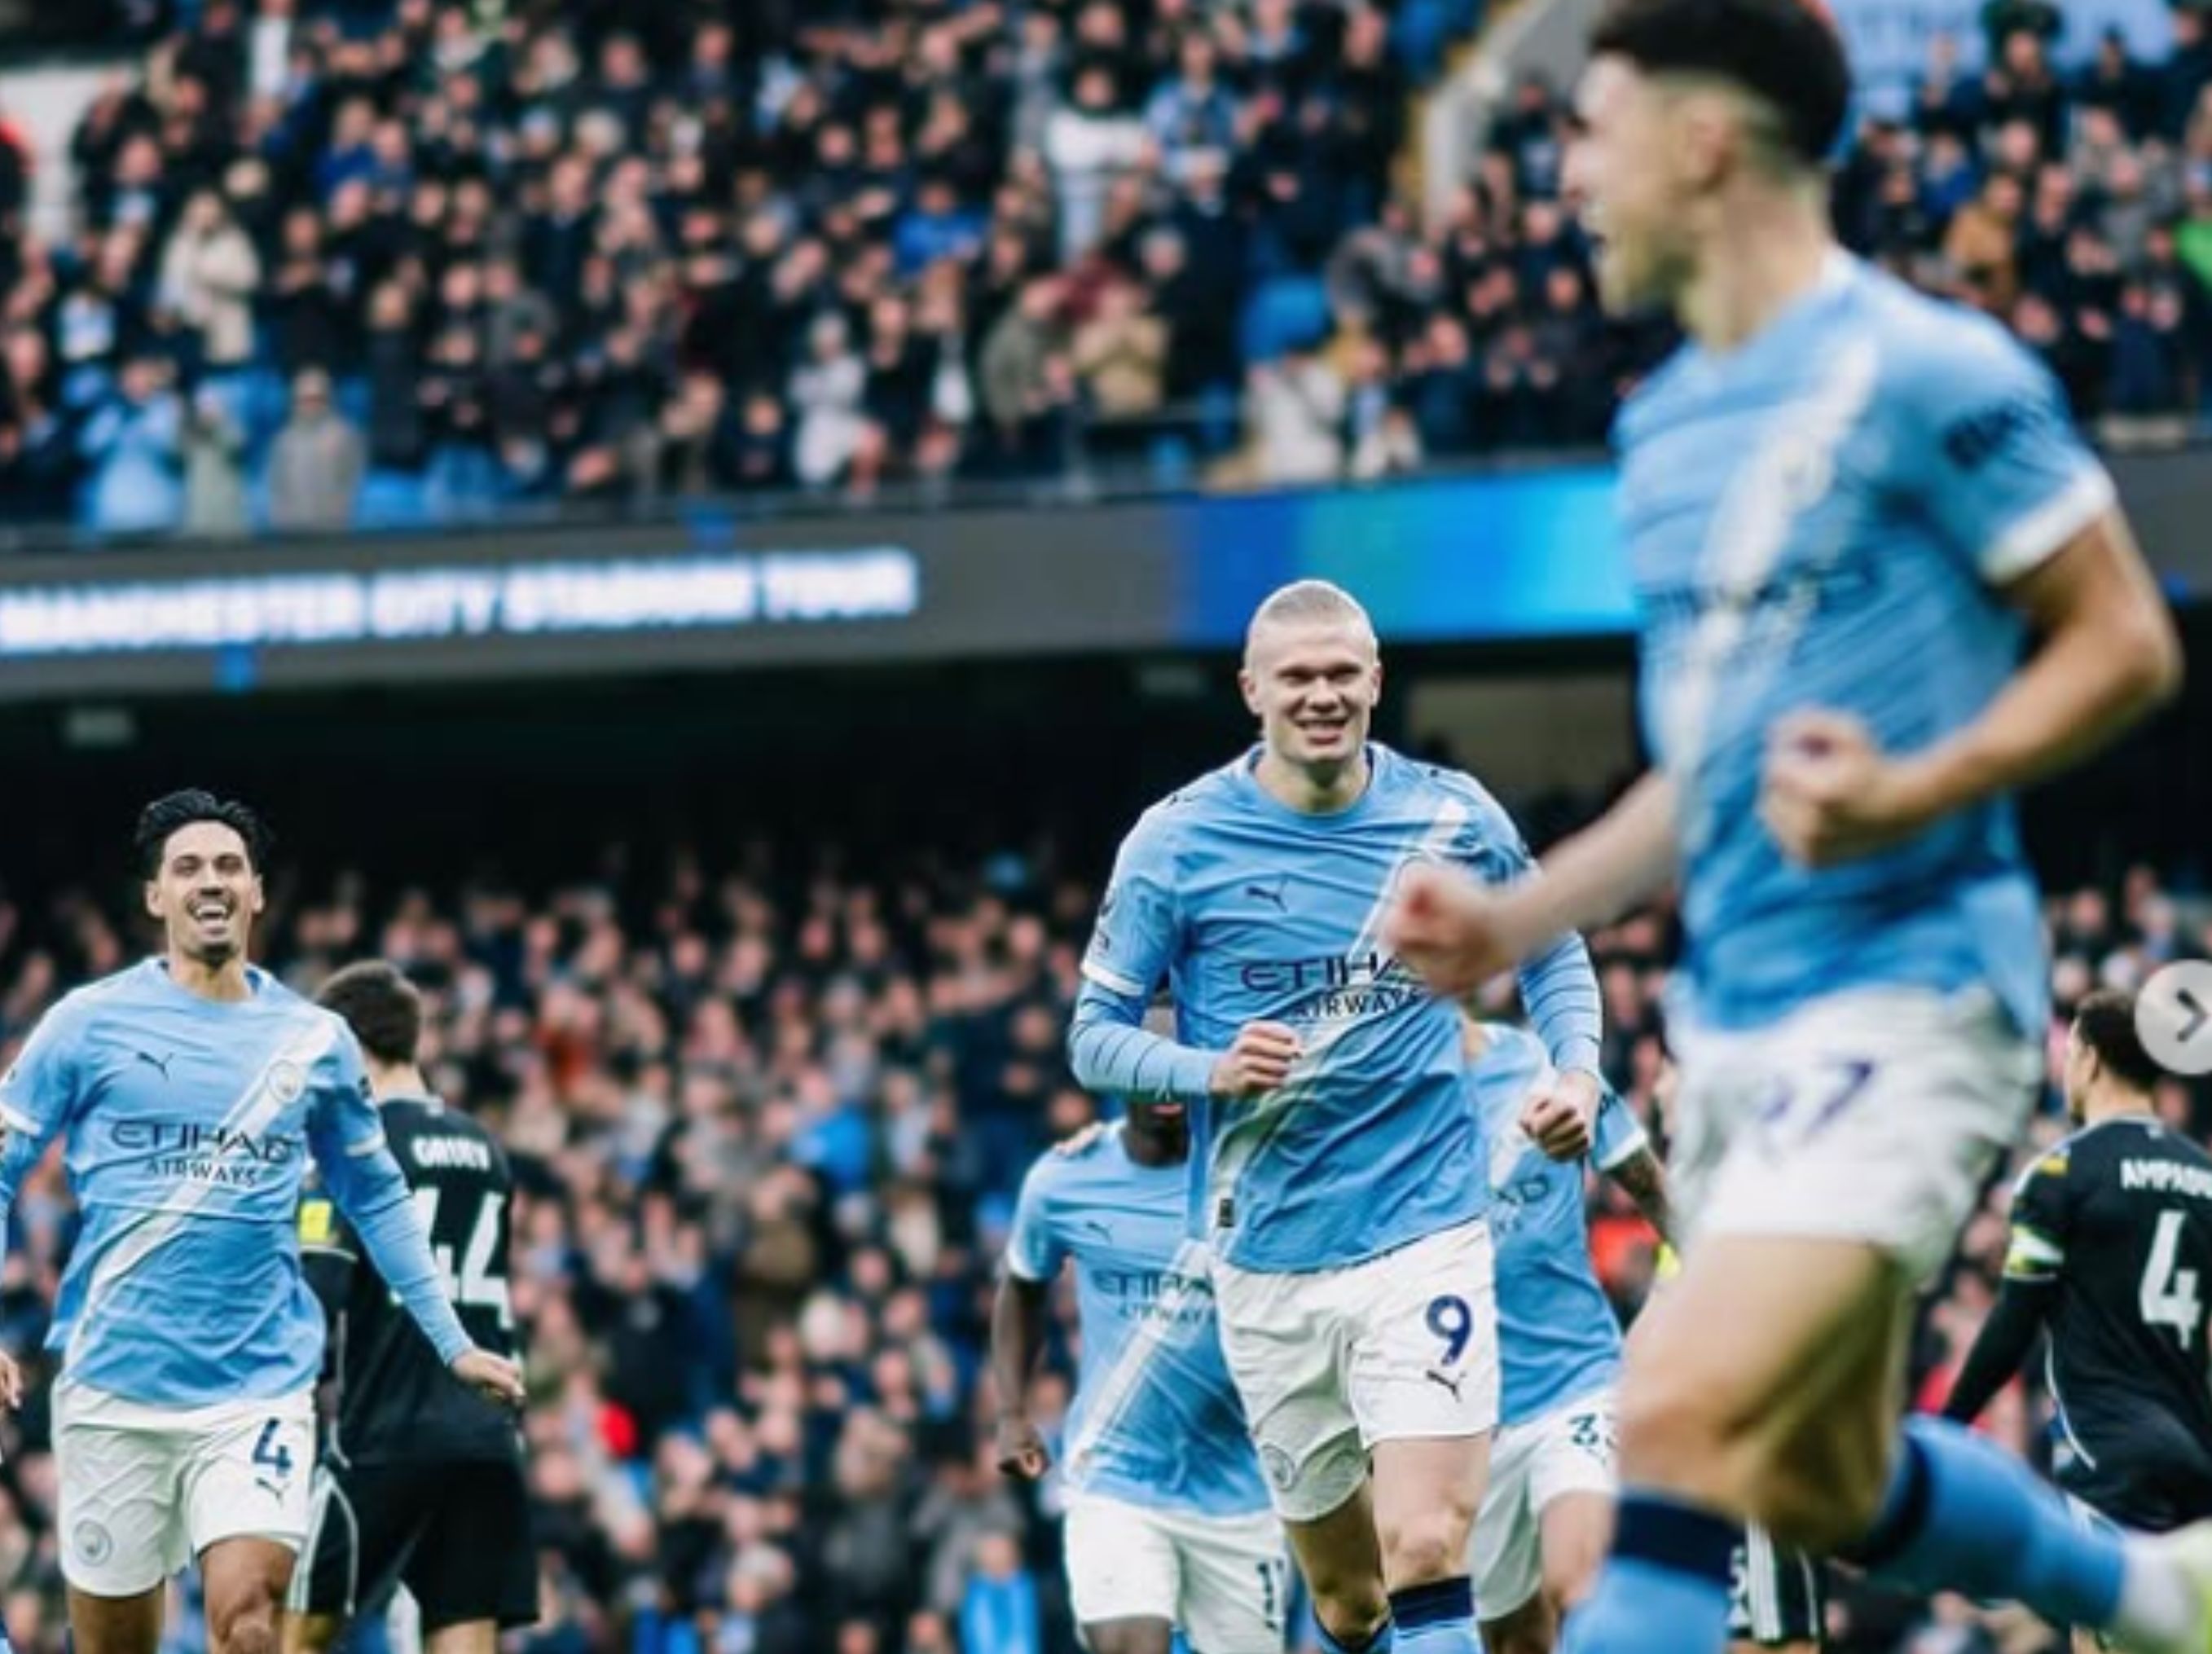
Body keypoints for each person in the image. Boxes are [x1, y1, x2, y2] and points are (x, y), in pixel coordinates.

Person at [1382, 2, 2197, 1651]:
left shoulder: (1930, 371)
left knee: (1669, 1420)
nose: (1569, 180)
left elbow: (2123, 640)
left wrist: (1912, 788)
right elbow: (1704, 778)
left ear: (1704, 145)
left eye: (1591, 133)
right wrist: (1514, 921)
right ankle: (2150, 1592)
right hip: (1734, 1026)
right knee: (1812, 1472)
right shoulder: (1658, 431)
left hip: (1910, 990)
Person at [1070, 578, 1606, 1654]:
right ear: (1251, 690)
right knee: (1350, 1599)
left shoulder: (1450, 815)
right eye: (1298, 676)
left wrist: (1579, 1071)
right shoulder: (1176, 842)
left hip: (1425, 1229)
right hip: (1267, 1256)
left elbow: (1549, 944)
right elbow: (1094, 1035)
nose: (1322, 694)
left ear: (1375, 679)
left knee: (1426, 1542)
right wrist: (1207, 1067)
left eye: (1342, 673)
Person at [0, 791, 524, 1654]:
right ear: (156, 896)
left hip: (257, 1389)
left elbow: (376, 1194)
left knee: (249, 1622)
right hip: (112, 1384)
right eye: (188, 867)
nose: (211, 880)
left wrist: (451, 1339)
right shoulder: (85, 1024)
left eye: (229, 866)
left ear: (257, 892)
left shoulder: (315, 1041)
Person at [285, 960, 537, 1654]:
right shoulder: (484, 1148)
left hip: (388, 1429)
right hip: (486, 1433)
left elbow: (317, 1296)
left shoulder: (352, 1151)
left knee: (291, 1630)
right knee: (463, 1629)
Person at [992, 1093, 1289, 1654]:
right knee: (1129, 1642)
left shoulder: (1254, 1172)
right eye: (1151, 1070)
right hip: (1115, 1476)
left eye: (1179, 1069)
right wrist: (1011, 1411)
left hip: (1237, 1490)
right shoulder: (1066, 1178)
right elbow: (1022, 1284)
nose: (1166, 1089)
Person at [1945, 989, 2212, 1540]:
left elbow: (2012, 1324)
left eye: (2068, 1055)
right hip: (2195, 1451)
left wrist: (1944, 1424)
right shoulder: (2204, 1176)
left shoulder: (2061, 1173)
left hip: (2105, 1447)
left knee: (2103, 1599)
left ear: (2089, 1059)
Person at [1461, 1016, 1666, 1654]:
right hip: (1466, 1419)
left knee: (1580, 1585)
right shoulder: (1380, 1109)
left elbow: (1654, 1192)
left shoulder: (1549, 1069)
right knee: (1514, 1642)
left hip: (1574, 1385)